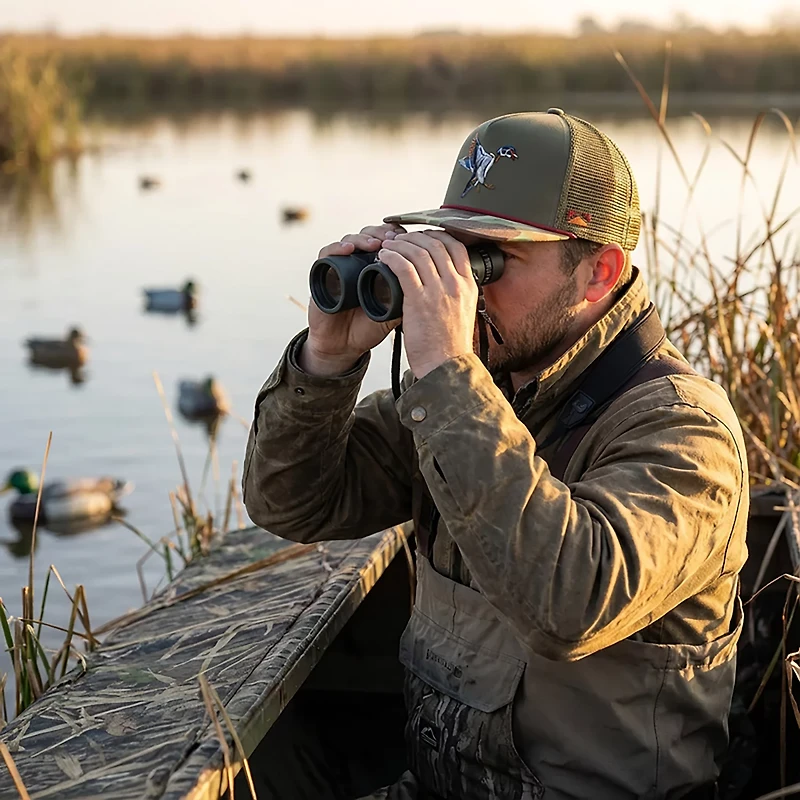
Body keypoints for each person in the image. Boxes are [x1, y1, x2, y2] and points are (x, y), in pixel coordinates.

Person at [243, 109, 749, 799]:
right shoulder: (485, 389)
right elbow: (292, 502)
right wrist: (327, 359)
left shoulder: (683, 432)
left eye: (492, 262)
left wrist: (449, 371)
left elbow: (569, 605)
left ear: (599, 272)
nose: (463, 290)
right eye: (452, 253)